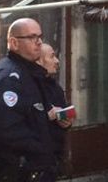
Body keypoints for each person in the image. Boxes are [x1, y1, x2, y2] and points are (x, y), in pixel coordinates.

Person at [0, 18, 56, 182]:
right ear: (14, 42)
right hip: (11, 171)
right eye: (32, 37)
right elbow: (7, 128)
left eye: (40, 37)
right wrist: (41, 151)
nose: (39, 42)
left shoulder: (29, 73)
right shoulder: (9, 76)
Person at [37, 43, 72, 179]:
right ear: (39, 60)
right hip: (36, 158)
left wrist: (67, 121)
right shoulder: (29, 85)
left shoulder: (55, 86)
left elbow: (64, 112)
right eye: (52, 56)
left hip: (54, 156)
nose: (57, 61)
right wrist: (47, 116)